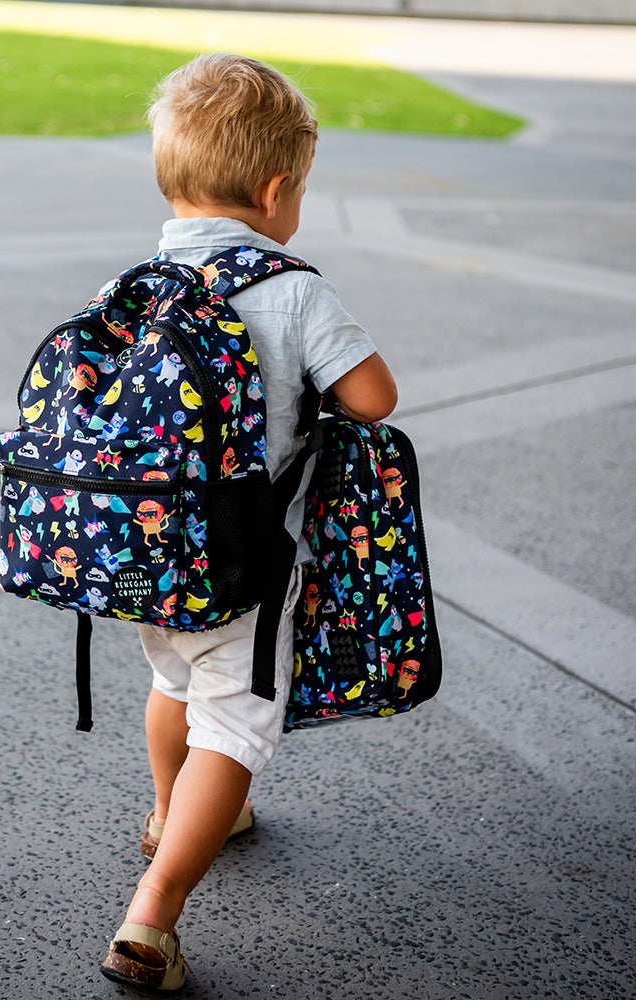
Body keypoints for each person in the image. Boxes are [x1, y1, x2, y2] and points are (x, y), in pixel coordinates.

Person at [99, 53, 398, 991]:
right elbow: (374, 397)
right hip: (247, 566)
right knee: (235, 724)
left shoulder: (141, 280)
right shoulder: (295, 289)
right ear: (277, 191)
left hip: (145, 552)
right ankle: (152, 916)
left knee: (174, 682)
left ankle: (169, 810)